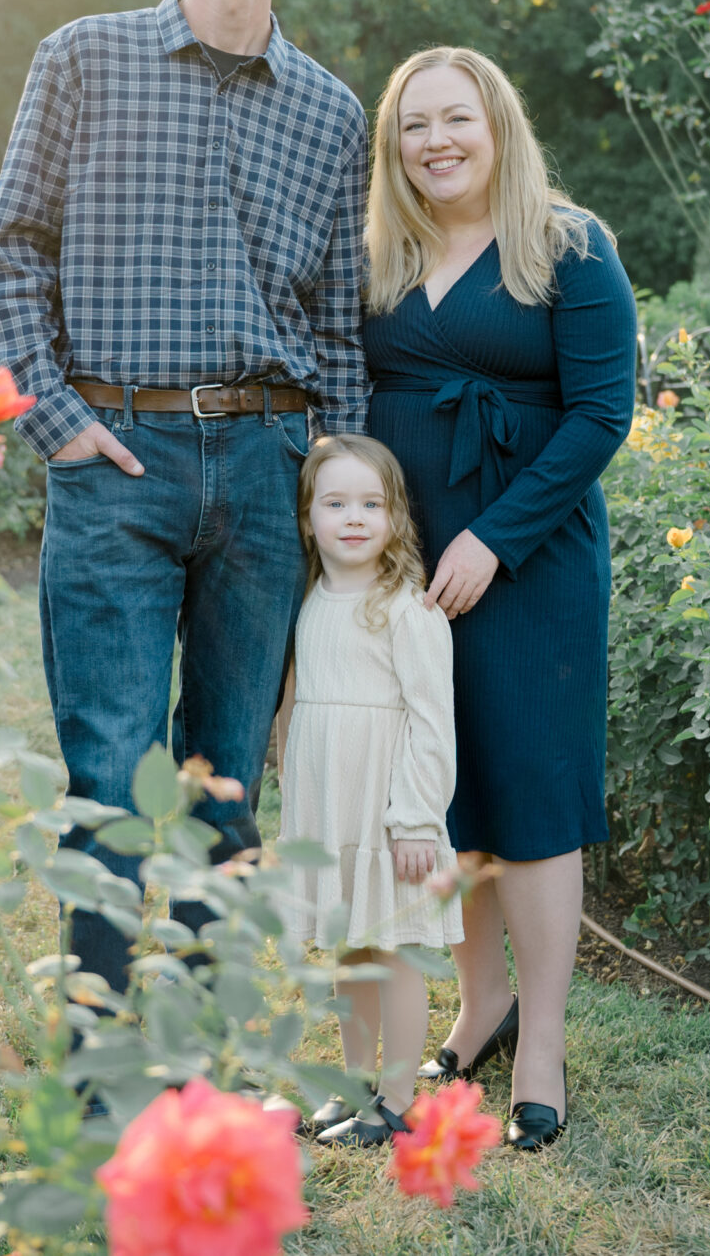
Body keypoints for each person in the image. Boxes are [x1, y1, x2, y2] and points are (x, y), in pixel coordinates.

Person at [0, 0, 372, 1002]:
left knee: (227, 775)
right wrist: (55, 424)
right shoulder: (83, 60)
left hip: (266, 465)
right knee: (110, 771)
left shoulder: (330, 114)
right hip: (118, 455)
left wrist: (331, 477)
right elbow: (7, 255)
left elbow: (337, 322)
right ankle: (100, 1063)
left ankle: (200, 1061)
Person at [359, 46, 637, 1151]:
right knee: (444, 786)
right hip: (406, 566)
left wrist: (493, 540)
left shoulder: (567, 246)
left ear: (497, 126)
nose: (435, 142)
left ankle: (545, 1044)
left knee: (530, 791)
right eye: (413, 126)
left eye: (455, 120)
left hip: (526, 562)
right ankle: (478, 1009)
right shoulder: (383, 249)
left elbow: (599, 416)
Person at [272, 434, 461, 1146]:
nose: (353, 517)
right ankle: (351, 1084)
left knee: (396, 951)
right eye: (335, 502)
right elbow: (295, 708)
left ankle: (398, 1097)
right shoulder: (308, 598)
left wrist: (416, 818)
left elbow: (431, 721)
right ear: (308, 515)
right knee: (349, 951)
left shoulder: (407, 606)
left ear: (395, 517)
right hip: (331, 811)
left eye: (371, 503)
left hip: (391, 817)